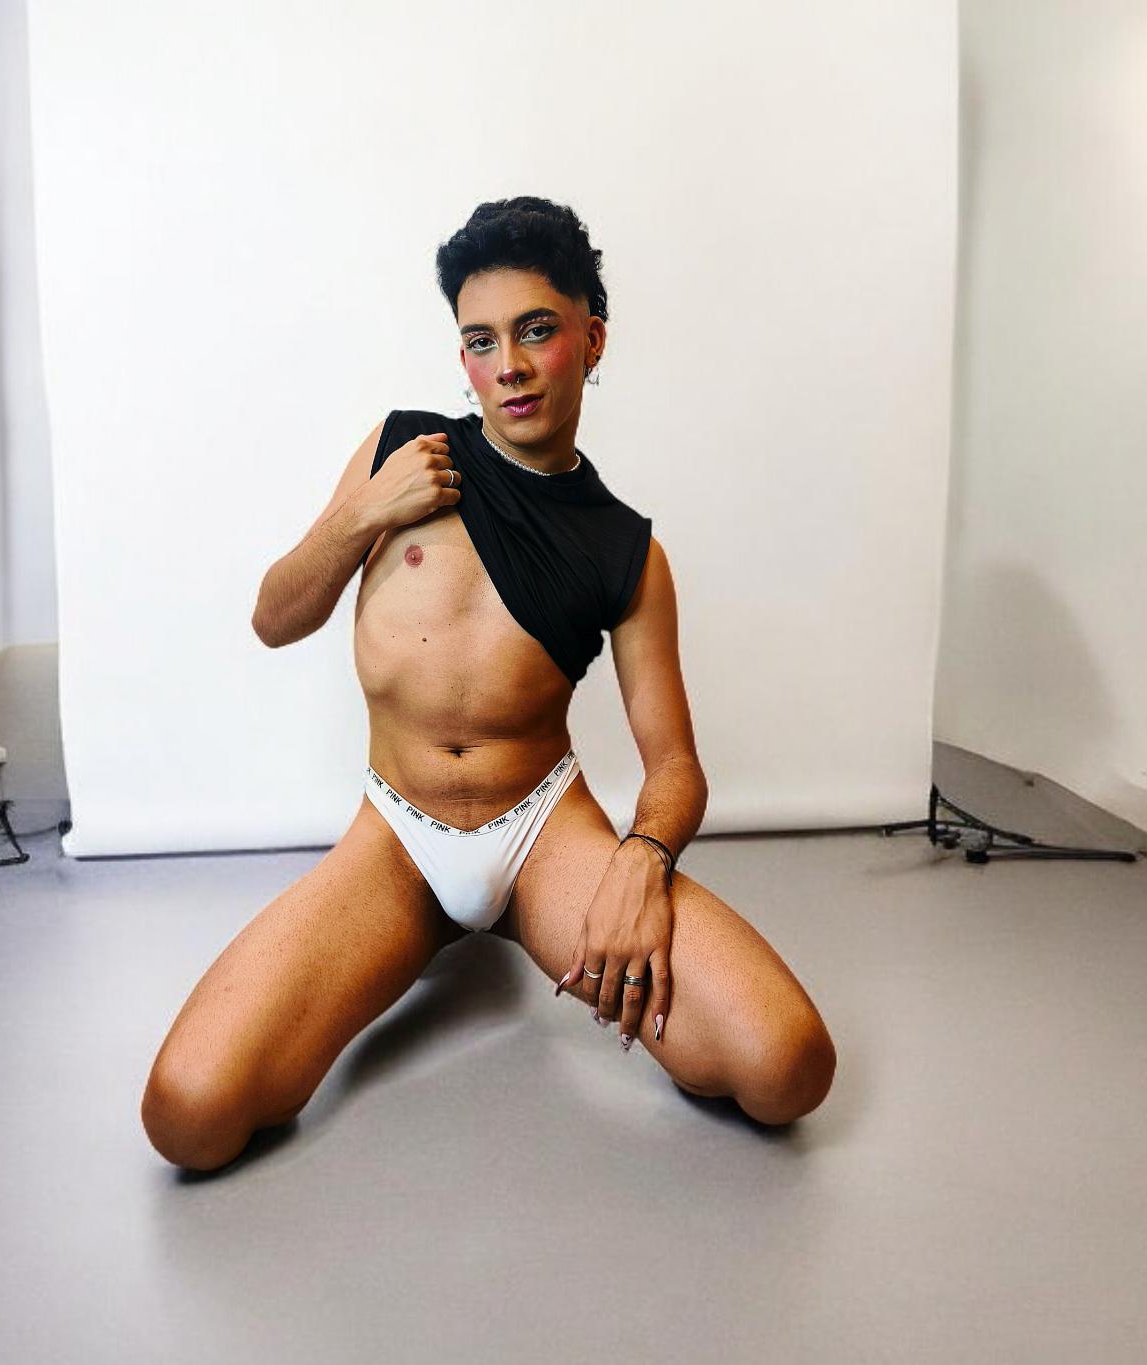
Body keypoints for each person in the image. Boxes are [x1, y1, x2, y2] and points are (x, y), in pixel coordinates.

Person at [141, 197, 835, 1170]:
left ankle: (530, 930)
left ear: (592, 339)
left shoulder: (626, 553)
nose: (506, 364)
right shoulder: (401, 451)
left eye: (535, 330)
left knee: (786, 1064)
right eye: (479, 341)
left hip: (543, 836)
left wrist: (640, 866)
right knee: (188, 1114)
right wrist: (363, 514)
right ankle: (421, 937)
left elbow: (675, 765)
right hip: (396, 841)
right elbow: (274, 616)